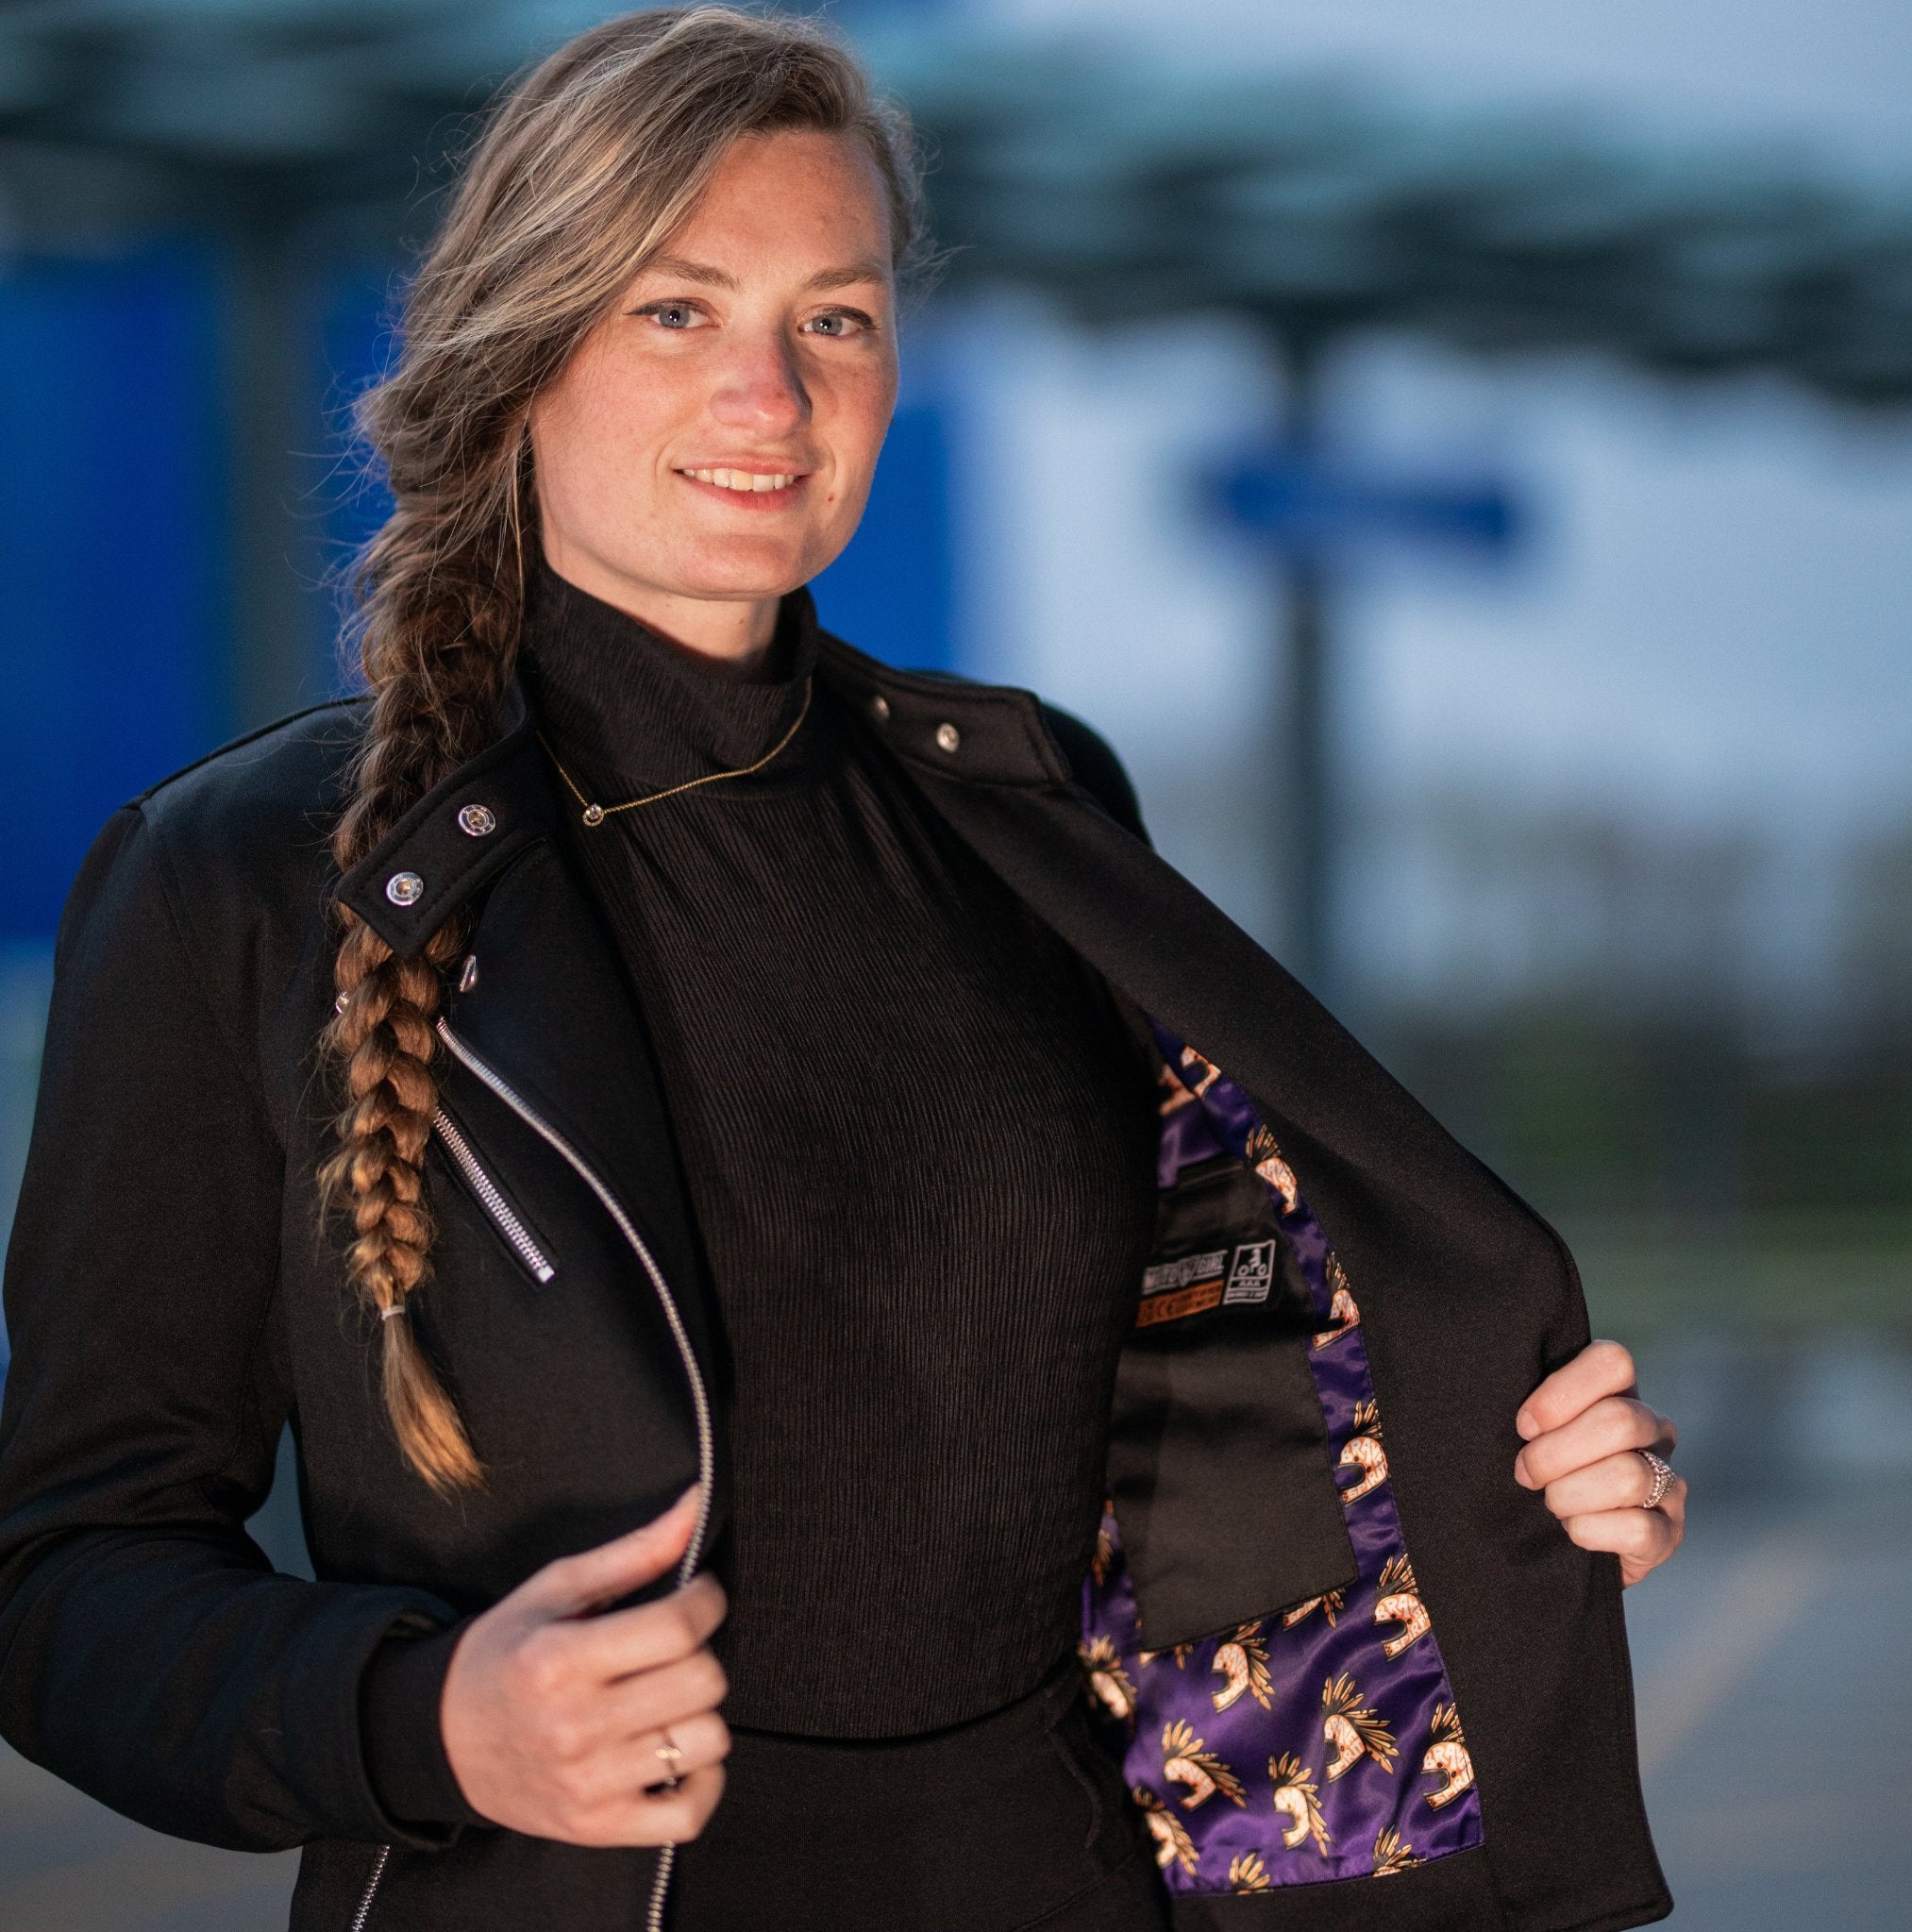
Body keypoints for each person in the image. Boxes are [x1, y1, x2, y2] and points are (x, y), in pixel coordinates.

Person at [0, 9, 1685, 1930]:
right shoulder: (247, 880)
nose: (772, 396)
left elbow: (1222, 1385)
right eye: (674, 311)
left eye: (839, 318)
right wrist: (426, 1715)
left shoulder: (1035, 809)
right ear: (515, 348)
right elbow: (66, 1576)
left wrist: (1505, 1466)